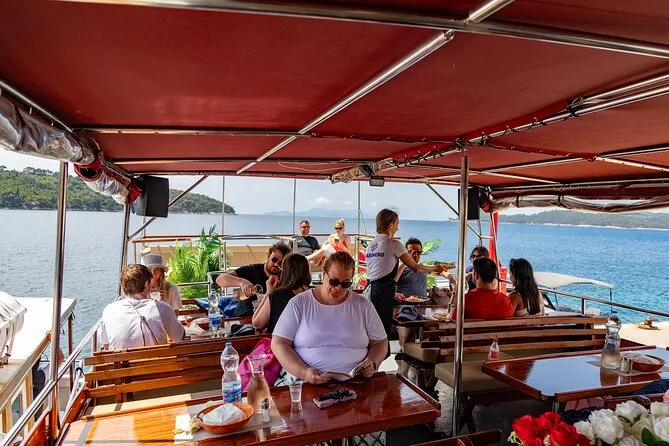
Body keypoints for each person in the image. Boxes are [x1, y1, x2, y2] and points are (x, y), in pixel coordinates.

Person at [271, 252, 387, 384]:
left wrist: (372, 363)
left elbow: (380, 342)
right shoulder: (299, 303)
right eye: (334, 281)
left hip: (356, 381)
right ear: (324, 274)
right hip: (306, 382)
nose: (338, 288)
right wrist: (304, 372)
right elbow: (279, 344)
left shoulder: (363, 305)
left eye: (345, 284)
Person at [366, 209, 442, 340]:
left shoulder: (370, 246)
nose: (397, 227)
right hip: (383, 294)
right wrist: (436, 267)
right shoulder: (394, 244)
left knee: (373, 331)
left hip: (370, 292)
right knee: (382, 333)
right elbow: (416, 268)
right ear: (391, 225)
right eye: (397, 224)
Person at [98, 264, 185, 350]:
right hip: (156, 359)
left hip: (121, 359)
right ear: (146, 284)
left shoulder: (109, 310)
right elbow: (180, 337)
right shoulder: (163, 308)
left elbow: (106, 345)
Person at [393, 237, 456, 347]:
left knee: (438, 330)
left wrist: (451, 278)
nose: (415, 255)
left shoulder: (423, 268)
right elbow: (393, 281)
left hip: (423, 308)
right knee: (407, 334)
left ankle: (424, 353)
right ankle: (405, 353)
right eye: (411, 252)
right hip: (405, 309)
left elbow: (440, 271)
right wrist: (405, 261)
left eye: (418, 252)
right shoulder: (401, 269)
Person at [216, 242, 291, 317]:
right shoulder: (252, 270)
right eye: (274, 259)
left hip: (271, 319)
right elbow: (219, 279)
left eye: (281, 263)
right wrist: (242, 282)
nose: (276, 264)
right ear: (268, 256)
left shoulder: (285, 278)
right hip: (244, 317)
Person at [252, 253, 311, 333]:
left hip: (278, 340)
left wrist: (269, 292)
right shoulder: (313, 293)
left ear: (285, 271)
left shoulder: (278, 295)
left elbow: (257, 324)